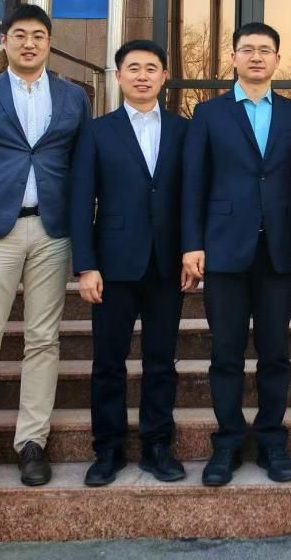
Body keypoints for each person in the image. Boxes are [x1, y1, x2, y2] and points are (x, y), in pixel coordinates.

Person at [0, 3, 91, 497]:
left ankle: (32, 442)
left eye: (39, 36)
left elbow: (80, 163)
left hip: (52, 231)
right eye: (20, 35)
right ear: (4, 41)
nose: (30, 43)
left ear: (49, 43)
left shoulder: (73, 97)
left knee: (43, 339)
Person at [182, 22, 291, 487]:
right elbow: (193, 182)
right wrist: (192, 243)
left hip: (278, 250)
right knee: (226, 352)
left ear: (277, 59)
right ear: (233, 57)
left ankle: (273, 440)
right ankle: (228, 442)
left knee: (275, 352)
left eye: (265, 50)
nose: (256, 57)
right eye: (247, 49)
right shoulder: (208, 113)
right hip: (223, 249)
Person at [70, 39, 190, 487]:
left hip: (166, 263)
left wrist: (190, 251)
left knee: (161, 360)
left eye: (151, 68)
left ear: (164, 77)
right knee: (108, 361)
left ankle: (158, 445)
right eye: (133, 68)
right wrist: (86, 265)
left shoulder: (183, 130)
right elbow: (81, 200)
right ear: (118, 76)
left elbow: (191, 197)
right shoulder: (97, 131)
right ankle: (108, 449)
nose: (142, 75)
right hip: (113, 264)